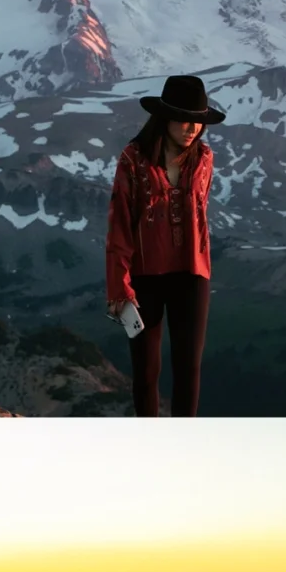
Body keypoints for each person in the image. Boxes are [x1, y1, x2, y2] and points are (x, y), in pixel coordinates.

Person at [105, 74, 226, 417]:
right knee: (146, 371)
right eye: (186, 120)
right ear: (165, 117)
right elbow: (119, 226)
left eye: (199, 122)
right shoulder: (132, 159)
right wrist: (119, 286)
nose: (192, 129)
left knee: (189, 368)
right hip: (145, 276)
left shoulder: (204, 159)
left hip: (192, 274)